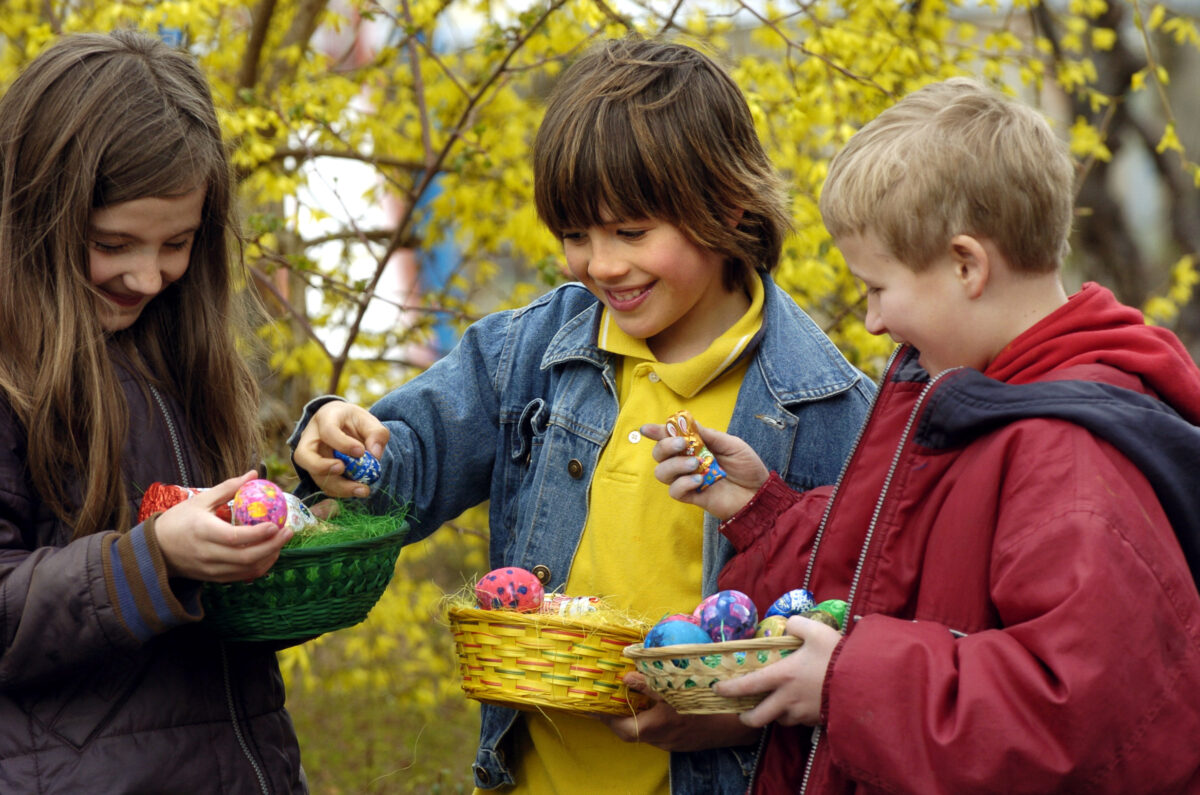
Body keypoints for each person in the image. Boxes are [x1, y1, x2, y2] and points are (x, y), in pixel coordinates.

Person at [289, 36, 875, 794]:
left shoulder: (833, 405)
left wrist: (737, 711)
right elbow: (404, 465)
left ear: (728, 208)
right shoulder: (529, 350)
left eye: (631, 232)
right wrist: (341, 435)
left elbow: (857, 637)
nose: (601, 264)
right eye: (575, 235)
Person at [646, 77, 1200, 793]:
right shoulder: (977, 391)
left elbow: (1074, 715)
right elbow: (900, 566)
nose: (872, 321)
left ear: (967, 265)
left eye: (878, 288)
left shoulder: (1067, 460)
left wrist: (848, 681)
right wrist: (763, 512)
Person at [0, 30, 307, 792]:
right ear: (34, 214)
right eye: (113, 244)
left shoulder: (170, 356)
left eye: (177, 244)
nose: (148, 276)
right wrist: (151, 559)